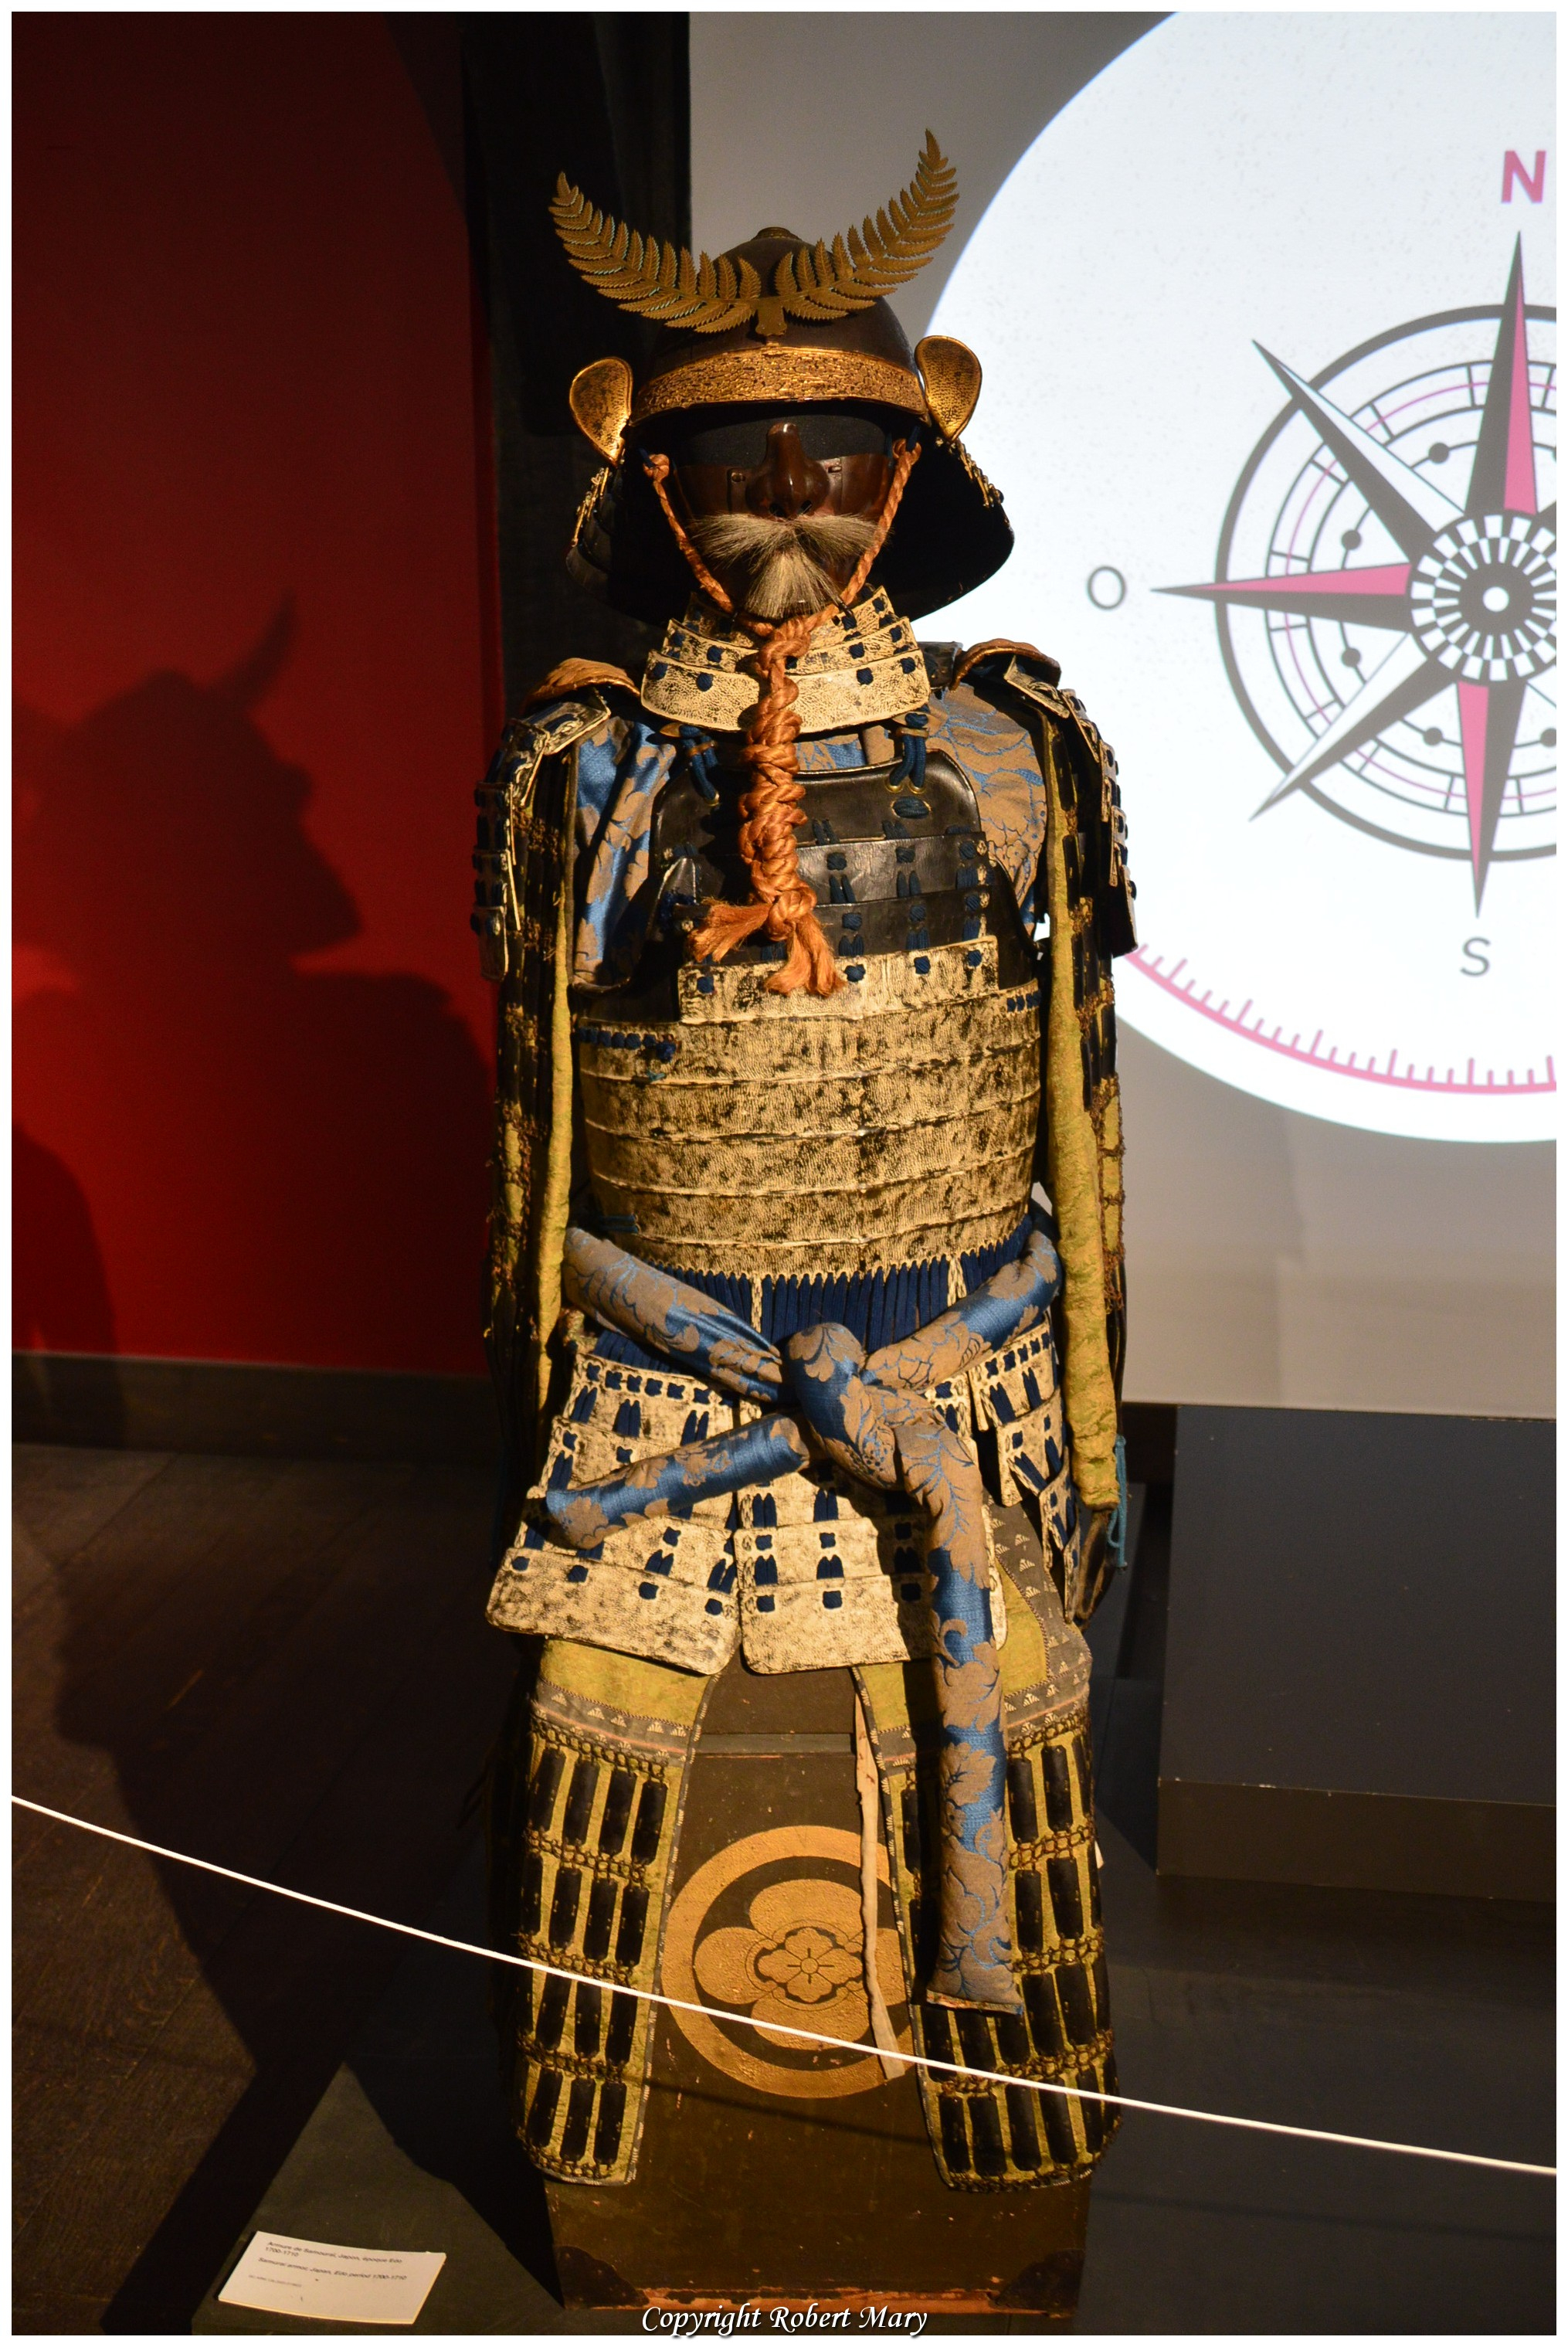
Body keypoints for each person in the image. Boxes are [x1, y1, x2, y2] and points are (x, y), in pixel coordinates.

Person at [475, 135, 1135, 2226]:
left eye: (829, 462)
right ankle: (632, 2218)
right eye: (733, 464)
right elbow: (539, 1143)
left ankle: (981, 2212)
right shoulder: (582, 776)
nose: (782, 506)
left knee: (1010, 1766)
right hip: (662, 1398)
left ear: (911, 464)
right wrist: (526, 1386)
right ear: (649, 476)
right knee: (596, 1805)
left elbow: (1080, 1124)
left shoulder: (1016, 755)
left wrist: (1090, 1428)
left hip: (960, 1380)